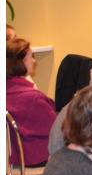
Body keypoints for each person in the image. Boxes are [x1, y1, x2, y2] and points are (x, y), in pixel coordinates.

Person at [6, 38, 55, 167]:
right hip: (34, 158)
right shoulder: (33, 99)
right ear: (20, 63)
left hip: (13, 158)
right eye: (31, 57)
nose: (34, 61)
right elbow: (57, 129)